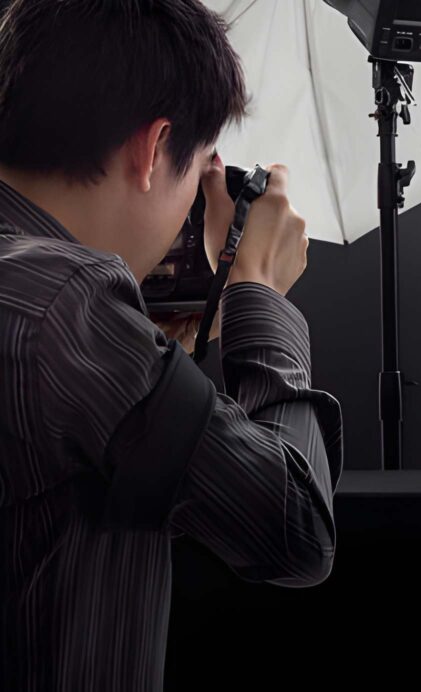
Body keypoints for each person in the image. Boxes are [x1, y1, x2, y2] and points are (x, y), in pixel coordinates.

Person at [0, 1, 343, 690]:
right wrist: (260, 292)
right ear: (154, 149)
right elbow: (293, 530)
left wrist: (151, 352)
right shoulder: (72, 301)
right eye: (199, 175)